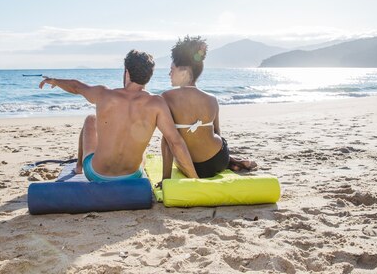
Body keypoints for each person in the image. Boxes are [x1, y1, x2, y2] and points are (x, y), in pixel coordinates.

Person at [39, 50, 198, 182]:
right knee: (140, 146)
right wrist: (195, 179)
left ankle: (79, 167)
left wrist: (54, 81)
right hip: (132, 175)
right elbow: (175, 142)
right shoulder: (157, 103)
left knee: (90, 120)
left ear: (127, 72)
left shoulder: (104, 94)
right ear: (149, 76)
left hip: (96, 174)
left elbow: (76, 86)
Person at [161, 36, 257, 179]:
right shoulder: (212, 99)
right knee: (216, 142)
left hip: (191, 166)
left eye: (172, 70)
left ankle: (234, 161)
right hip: (218, 160)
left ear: (184, 72)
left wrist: (165, 179)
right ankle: (232, 161)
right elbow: (217, 132)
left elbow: (168, 142)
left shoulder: (166, 97)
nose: (169, 74)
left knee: (169, 137)